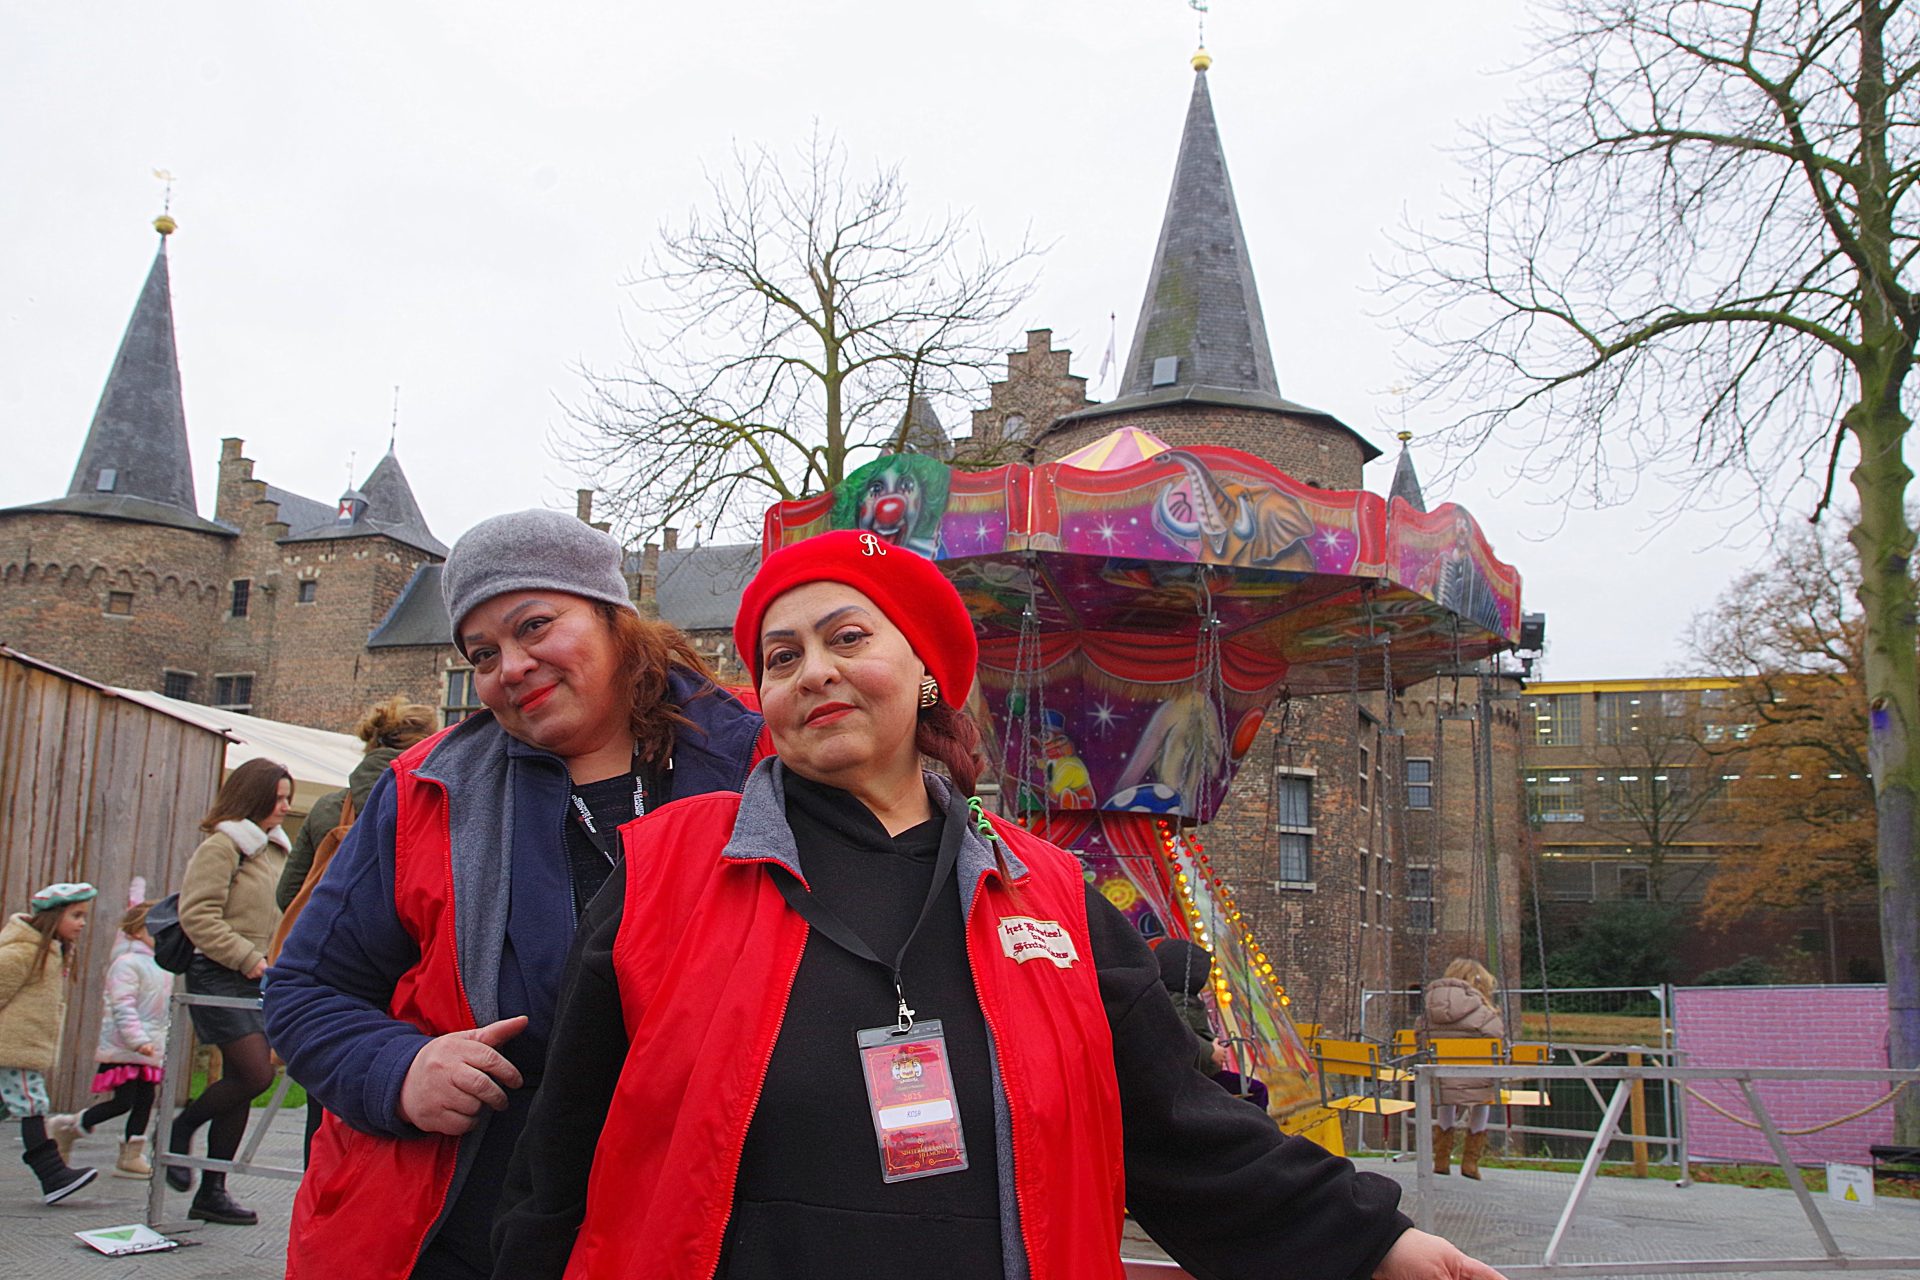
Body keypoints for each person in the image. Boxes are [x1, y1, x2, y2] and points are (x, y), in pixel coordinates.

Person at [492, 529, 1505, 1280]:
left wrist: (1371, 1240)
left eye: (848, 636)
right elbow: (561, 1155)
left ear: (928, 672)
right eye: (783, 657)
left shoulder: (1053, 896)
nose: (815, 670)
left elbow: (1176, 1126)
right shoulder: (665, 872)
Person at [264, 508, 768, 1280]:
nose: (511, 666)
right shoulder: (426, 791)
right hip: (482, 1218)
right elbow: (304, 989)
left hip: (718, 1207)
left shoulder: (761, 756)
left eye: (534, 625)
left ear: (613, 616)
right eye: (482, 653)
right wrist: (399, 1071)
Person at [271, 695, 437, 1161]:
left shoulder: (331, 806)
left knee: (328, 1102)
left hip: (344, 985)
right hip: (419, 986)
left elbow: (290, 894)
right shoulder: (434, 796)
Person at [163, 756, 294, 1225]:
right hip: (220, 973)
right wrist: (247, 957)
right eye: (278, 798)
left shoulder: (275, 850)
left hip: (258, 975)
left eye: (287, 798)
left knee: (243, 1080)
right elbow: (197, 915)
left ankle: (212, 1191)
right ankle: (178, 1130)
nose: (286, 807)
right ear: (253, 797)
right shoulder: (223, 846)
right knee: (255, 1074)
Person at [48, 900, 170, 1178]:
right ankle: (69, 1127)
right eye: (154, 930)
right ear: (136, 931)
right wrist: (137, 1039)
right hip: (126, 1045)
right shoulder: (127, 963)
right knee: (123, 1101)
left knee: (145, 1100)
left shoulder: (160, 964)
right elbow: (122, 1005)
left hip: (149, 1047)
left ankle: (131, 1155)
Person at [0, 882, 99, 1203]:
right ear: (53, 916)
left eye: (84, 916)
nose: (82, 923)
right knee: (33, 1105)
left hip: (18, 1047)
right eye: (76, 915)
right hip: (12, 1049)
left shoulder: (50, 951)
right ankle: (53, 1175)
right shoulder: (23, 952)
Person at [1154, 937, 1269, 1111]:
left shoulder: (1174, 998)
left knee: (1251, 1090)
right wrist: (1211, 1052)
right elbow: (1178, 1034)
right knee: (1256, 1091)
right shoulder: (1174, 1001)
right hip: (1192, 1076)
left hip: (1197, 1072)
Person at [1423, 958, 1506, 1180]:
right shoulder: (1484, 1012)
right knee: (1482, 1095)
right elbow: (1497, 1039)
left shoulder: (1430, 1008)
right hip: (1476, 1080)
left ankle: (1441, 1159)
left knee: (1446, 1093)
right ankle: (1470, 1162)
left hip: (1442, 1079)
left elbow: (1420, 1038)